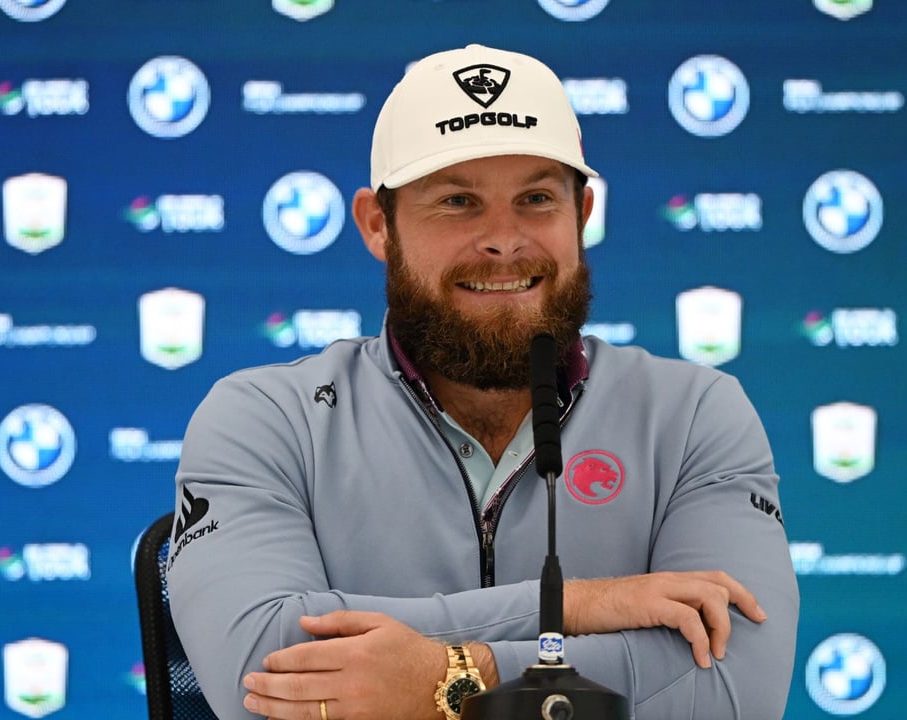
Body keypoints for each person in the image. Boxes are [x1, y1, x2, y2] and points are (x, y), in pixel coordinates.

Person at [167, 44, 799, 720]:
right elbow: (263, 667)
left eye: (535, 198)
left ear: (581, 215)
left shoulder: (693, 413)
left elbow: (737, 690)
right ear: (378, 225)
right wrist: (581, 607)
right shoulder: (267, 415)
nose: (503, 240)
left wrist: (452, 677)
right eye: (457, 201)